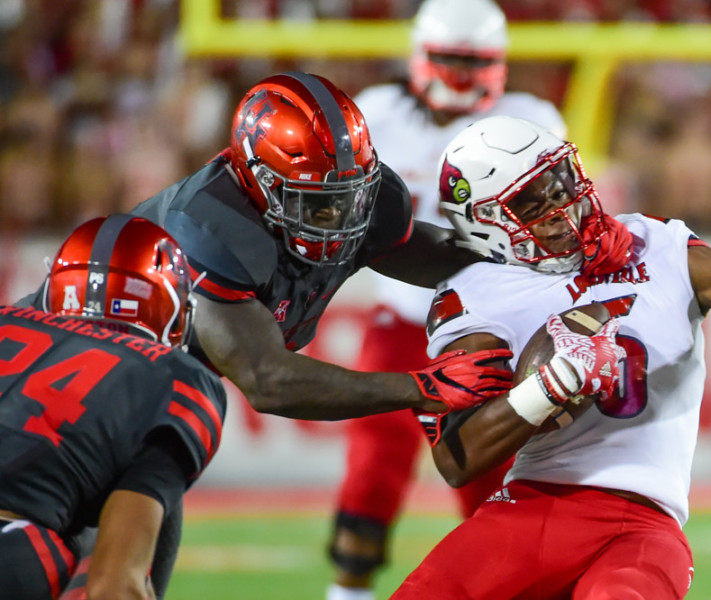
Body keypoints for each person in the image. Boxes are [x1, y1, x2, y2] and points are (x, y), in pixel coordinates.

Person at [20, 71, 514, 598]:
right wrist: (422, 387)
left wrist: (534, 258)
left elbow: (436, 259)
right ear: (256, 180)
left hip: (134, 397)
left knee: (141, 537)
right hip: (69, 397)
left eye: (350, 196)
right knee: (98, 563)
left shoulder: (355, 197)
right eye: (314, 202)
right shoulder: (212, 227)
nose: (337, 218)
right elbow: (269, 380)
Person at [389, 115, 711, 600]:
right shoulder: (477, 293)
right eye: (532, 203)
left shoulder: (656, 245)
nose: (562, 208)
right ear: (486, 222)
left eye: (559, 183)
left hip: (645, 522)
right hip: (534, 505)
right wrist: (551, 385)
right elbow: (455, 458)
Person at [326, 1, 568, 598]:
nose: (460, 73)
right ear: (420, 57)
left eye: (473, 60)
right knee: (372, 467)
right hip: (404, 318)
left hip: (487, 325)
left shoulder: (529, 118)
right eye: (450, 58)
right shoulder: (377, 114)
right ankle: (348, 590)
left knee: (486, 475)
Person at [0, 215, 228, 599]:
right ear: (172, 309)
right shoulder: (175, 376)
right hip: (14, 545)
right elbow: (114, 586)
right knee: (76, 550)